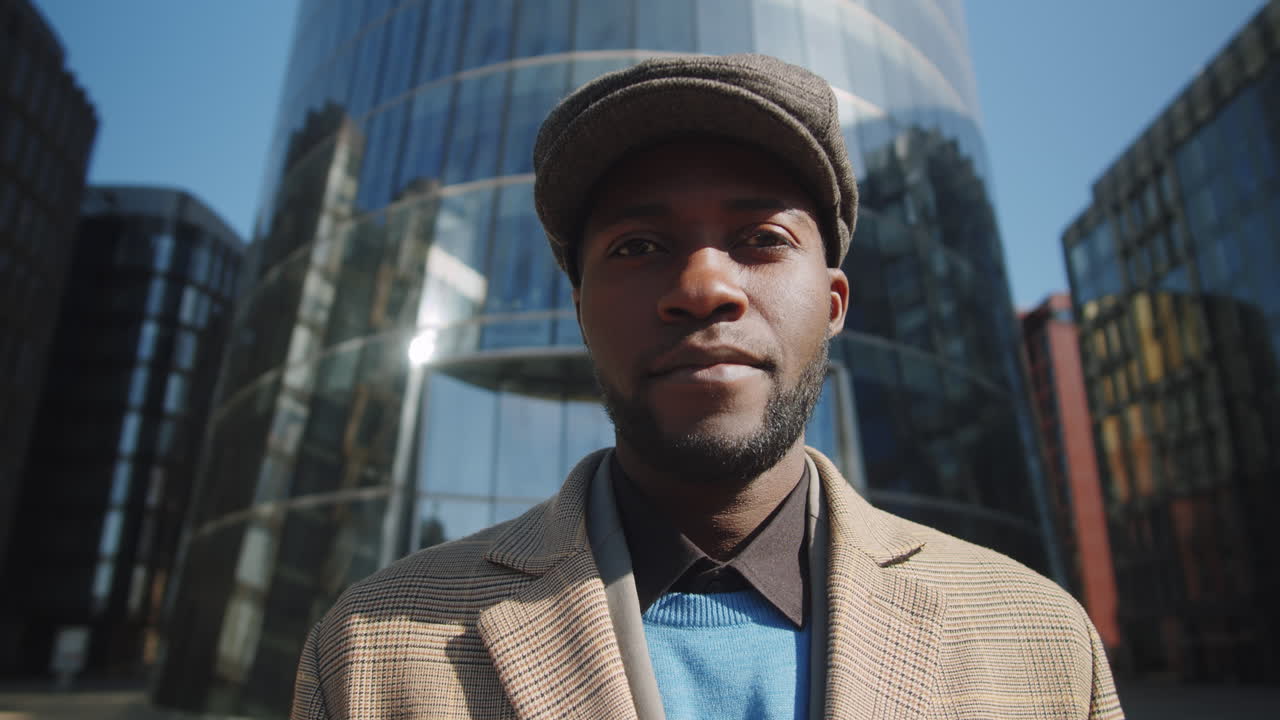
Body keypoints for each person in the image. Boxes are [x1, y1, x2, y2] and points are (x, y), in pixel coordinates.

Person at [290, 54, 1122, 720]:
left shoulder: (1043, 645)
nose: (702, 286)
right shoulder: (369, 656)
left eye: (760, 237)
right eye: (638, 245)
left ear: (834, 304)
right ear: (581, 312)